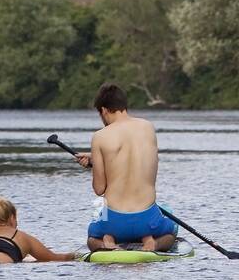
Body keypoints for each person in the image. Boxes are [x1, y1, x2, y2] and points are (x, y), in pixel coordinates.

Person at [76, 82, 177, 253]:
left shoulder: (100, 137)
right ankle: (153, 243)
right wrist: (100, 160)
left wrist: (96, 164)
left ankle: (107, 243)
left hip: (115, 220)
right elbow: (140, 165)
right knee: (171, 231)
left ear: (104, 110)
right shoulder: (147, 128)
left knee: (92, 239)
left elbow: (99, 189)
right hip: (147, 217)